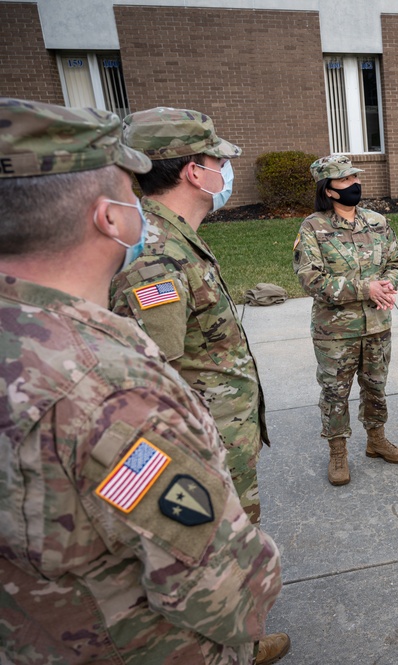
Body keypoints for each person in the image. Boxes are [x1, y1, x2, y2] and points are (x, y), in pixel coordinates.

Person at [0, 98, 288, 664]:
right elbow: (226, 585)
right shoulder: (111, 390)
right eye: (128, 190)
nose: (141, 204)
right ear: (109, 217)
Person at [109, 107, 270, 526]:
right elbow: (153, 384)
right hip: (202, 453)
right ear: (194, 173)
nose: (226, 170)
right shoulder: (157, 259)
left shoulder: (176, 237)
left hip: (221, 438)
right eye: (219, 160)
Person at [293, 155, 398, 486]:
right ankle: (338, 453)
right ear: (328, 190)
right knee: (335, 392)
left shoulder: (377, 222)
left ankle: (376, 440)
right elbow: (310, 279)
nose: (354, 184)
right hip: (335, 331)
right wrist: (365, 288)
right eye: (344, 180)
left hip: (377, 325)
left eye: (355, 177)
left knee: (376, 386)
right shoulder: (313, 227)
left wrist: (387, 285)